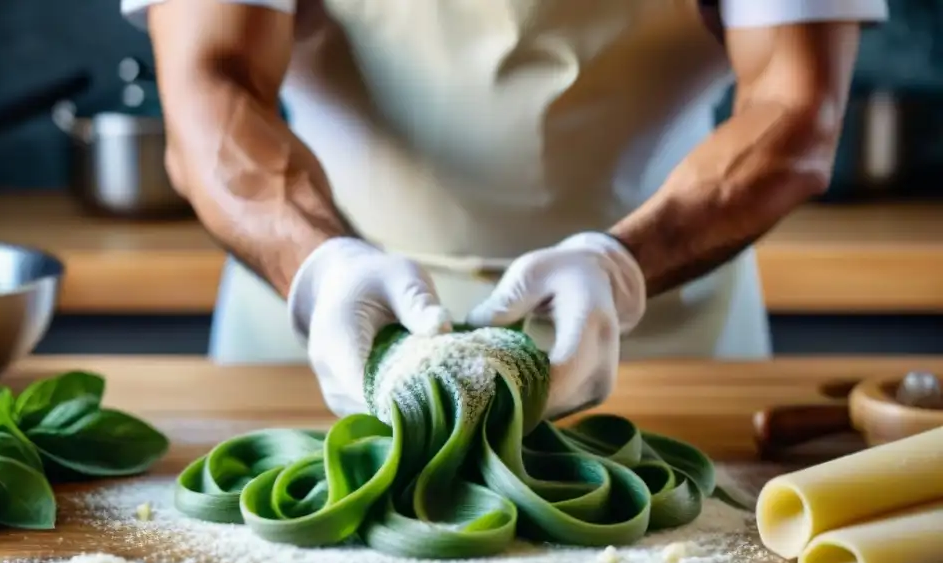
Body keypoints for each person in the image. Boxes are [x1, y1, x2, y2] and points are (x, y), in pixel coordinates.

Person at [122, 0, 887, 419]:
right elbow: (208, 90)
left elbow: (794, 109)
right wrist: (322, 269)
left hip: (662, 348)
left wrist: (619, 269)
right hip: (315, 349)